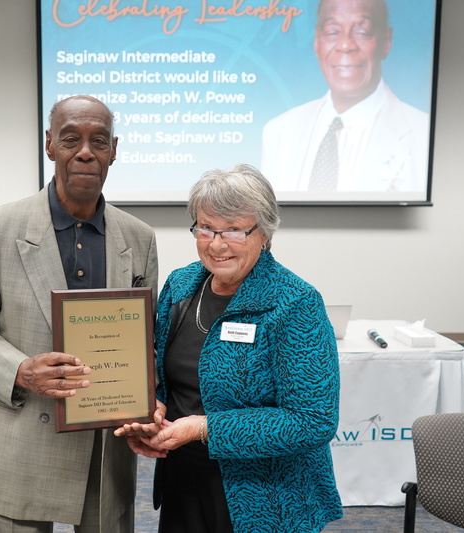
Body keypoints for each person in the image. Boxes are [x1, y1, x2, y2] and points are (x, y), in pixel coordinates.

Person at [0, 95, 159, 533]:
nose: (85, 151)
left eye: (98, 141)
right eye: (70, 139)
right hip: (22, 442)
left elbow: (145, 341)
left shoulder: (139, 238)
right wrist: (21, 370)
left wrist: (147, 398)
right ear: (49, 146)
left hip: (105, 447)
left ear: (113, 150)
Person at [116, 164, 342, 532]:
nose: (217, 244)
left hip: (264, 493)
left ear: (264, 233)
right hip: (183, 477)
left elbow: (311, 421)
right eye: (205, 227)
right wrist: (151, 409)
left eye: (235, 229)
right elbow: (162, 372)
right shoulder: (182, 284)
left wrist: (203, 428)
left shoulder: (295, 303)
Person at [262, 0, 430, 193]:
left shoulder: (422, 135)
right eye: (333, 32)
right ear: (317, 41)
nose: (345, 45)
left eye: (363, 32)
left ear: (386, 41)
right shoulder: (278, 132)